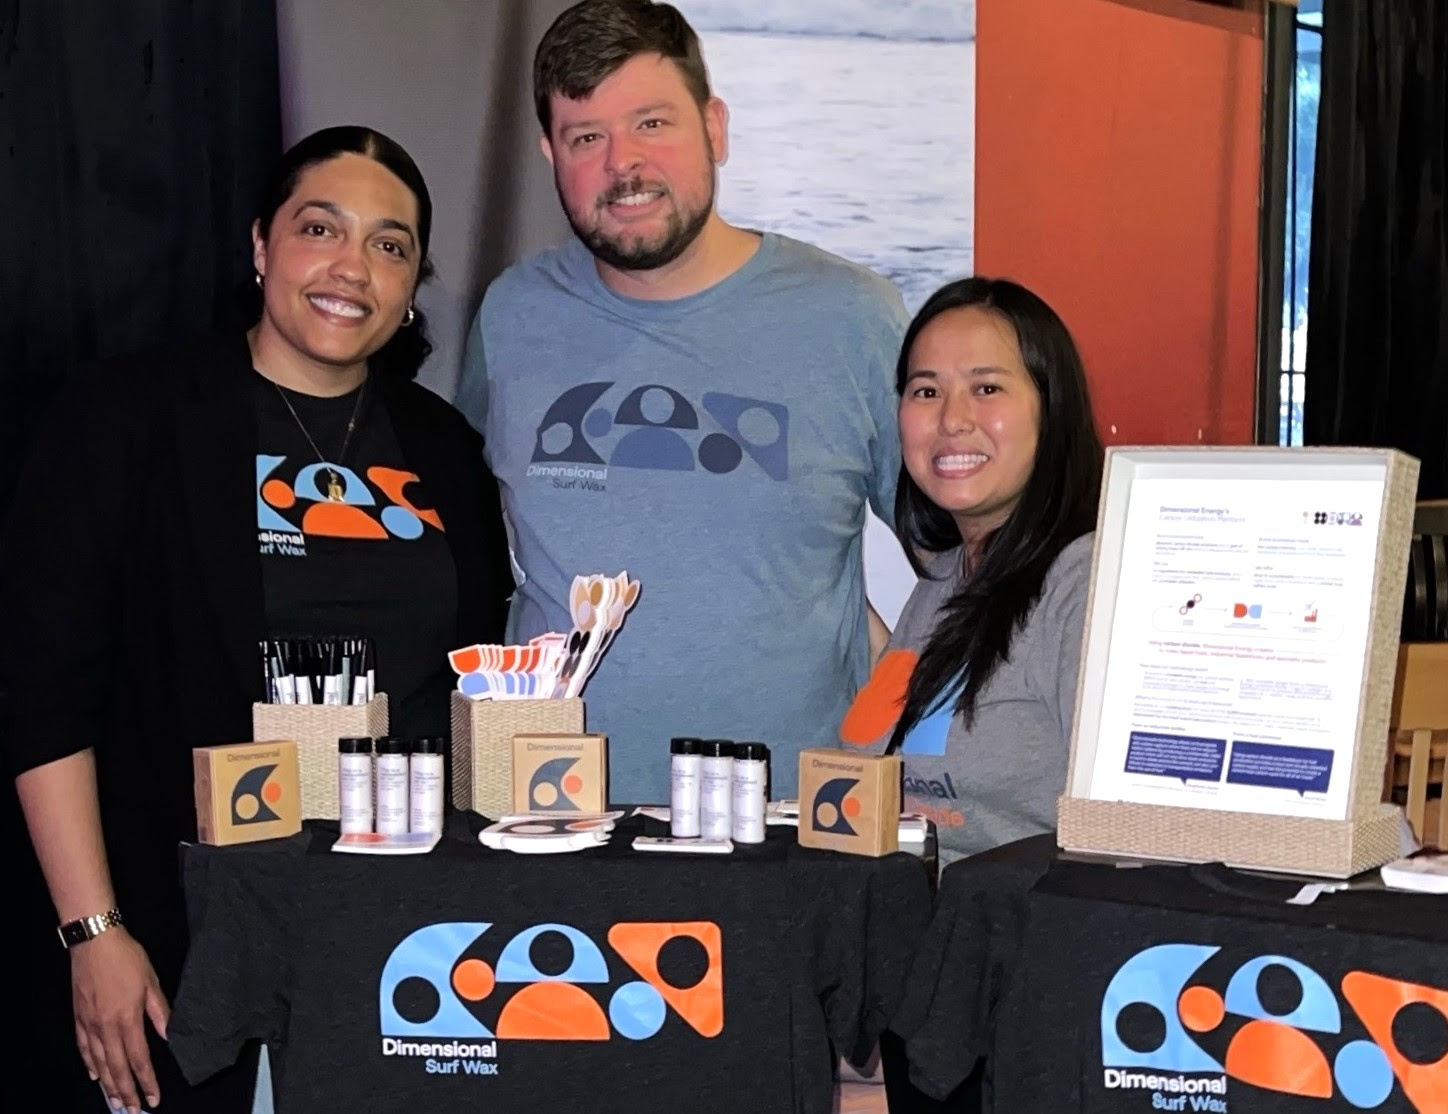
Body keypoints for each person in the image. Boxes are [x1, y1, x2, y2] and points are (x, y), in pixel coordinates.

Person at [1, 126, 511, 1114]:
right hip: (177, 928)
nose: (351, 267)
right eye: (321, 228)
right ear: (260, 246)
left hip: (402, 935)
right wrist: (93, 930)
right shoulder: (127, 418)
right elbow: (43, 694)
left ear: (412, 286)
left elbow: (465, 686)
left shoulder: (445, 449)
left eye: (390, 244)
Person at [457, 0, 909, 802]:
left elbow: (961, 560)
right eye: (586, 137)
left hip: (790, 821)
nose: (622, 164)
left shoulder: (852, 316)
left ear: (715, 128)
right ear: (550, 154)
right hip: (548, 814)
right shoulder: (512, 315)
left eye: (652, 124)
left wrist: (906, 725)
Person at [840, 277, 1104, 865]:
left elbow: (1122, 841)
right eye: (926, 391)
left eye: (987, 388)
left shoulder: (1086, 586)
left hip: (1015, 920)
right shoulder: (946, 579)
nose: (953, 419)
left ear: (1052, 408)